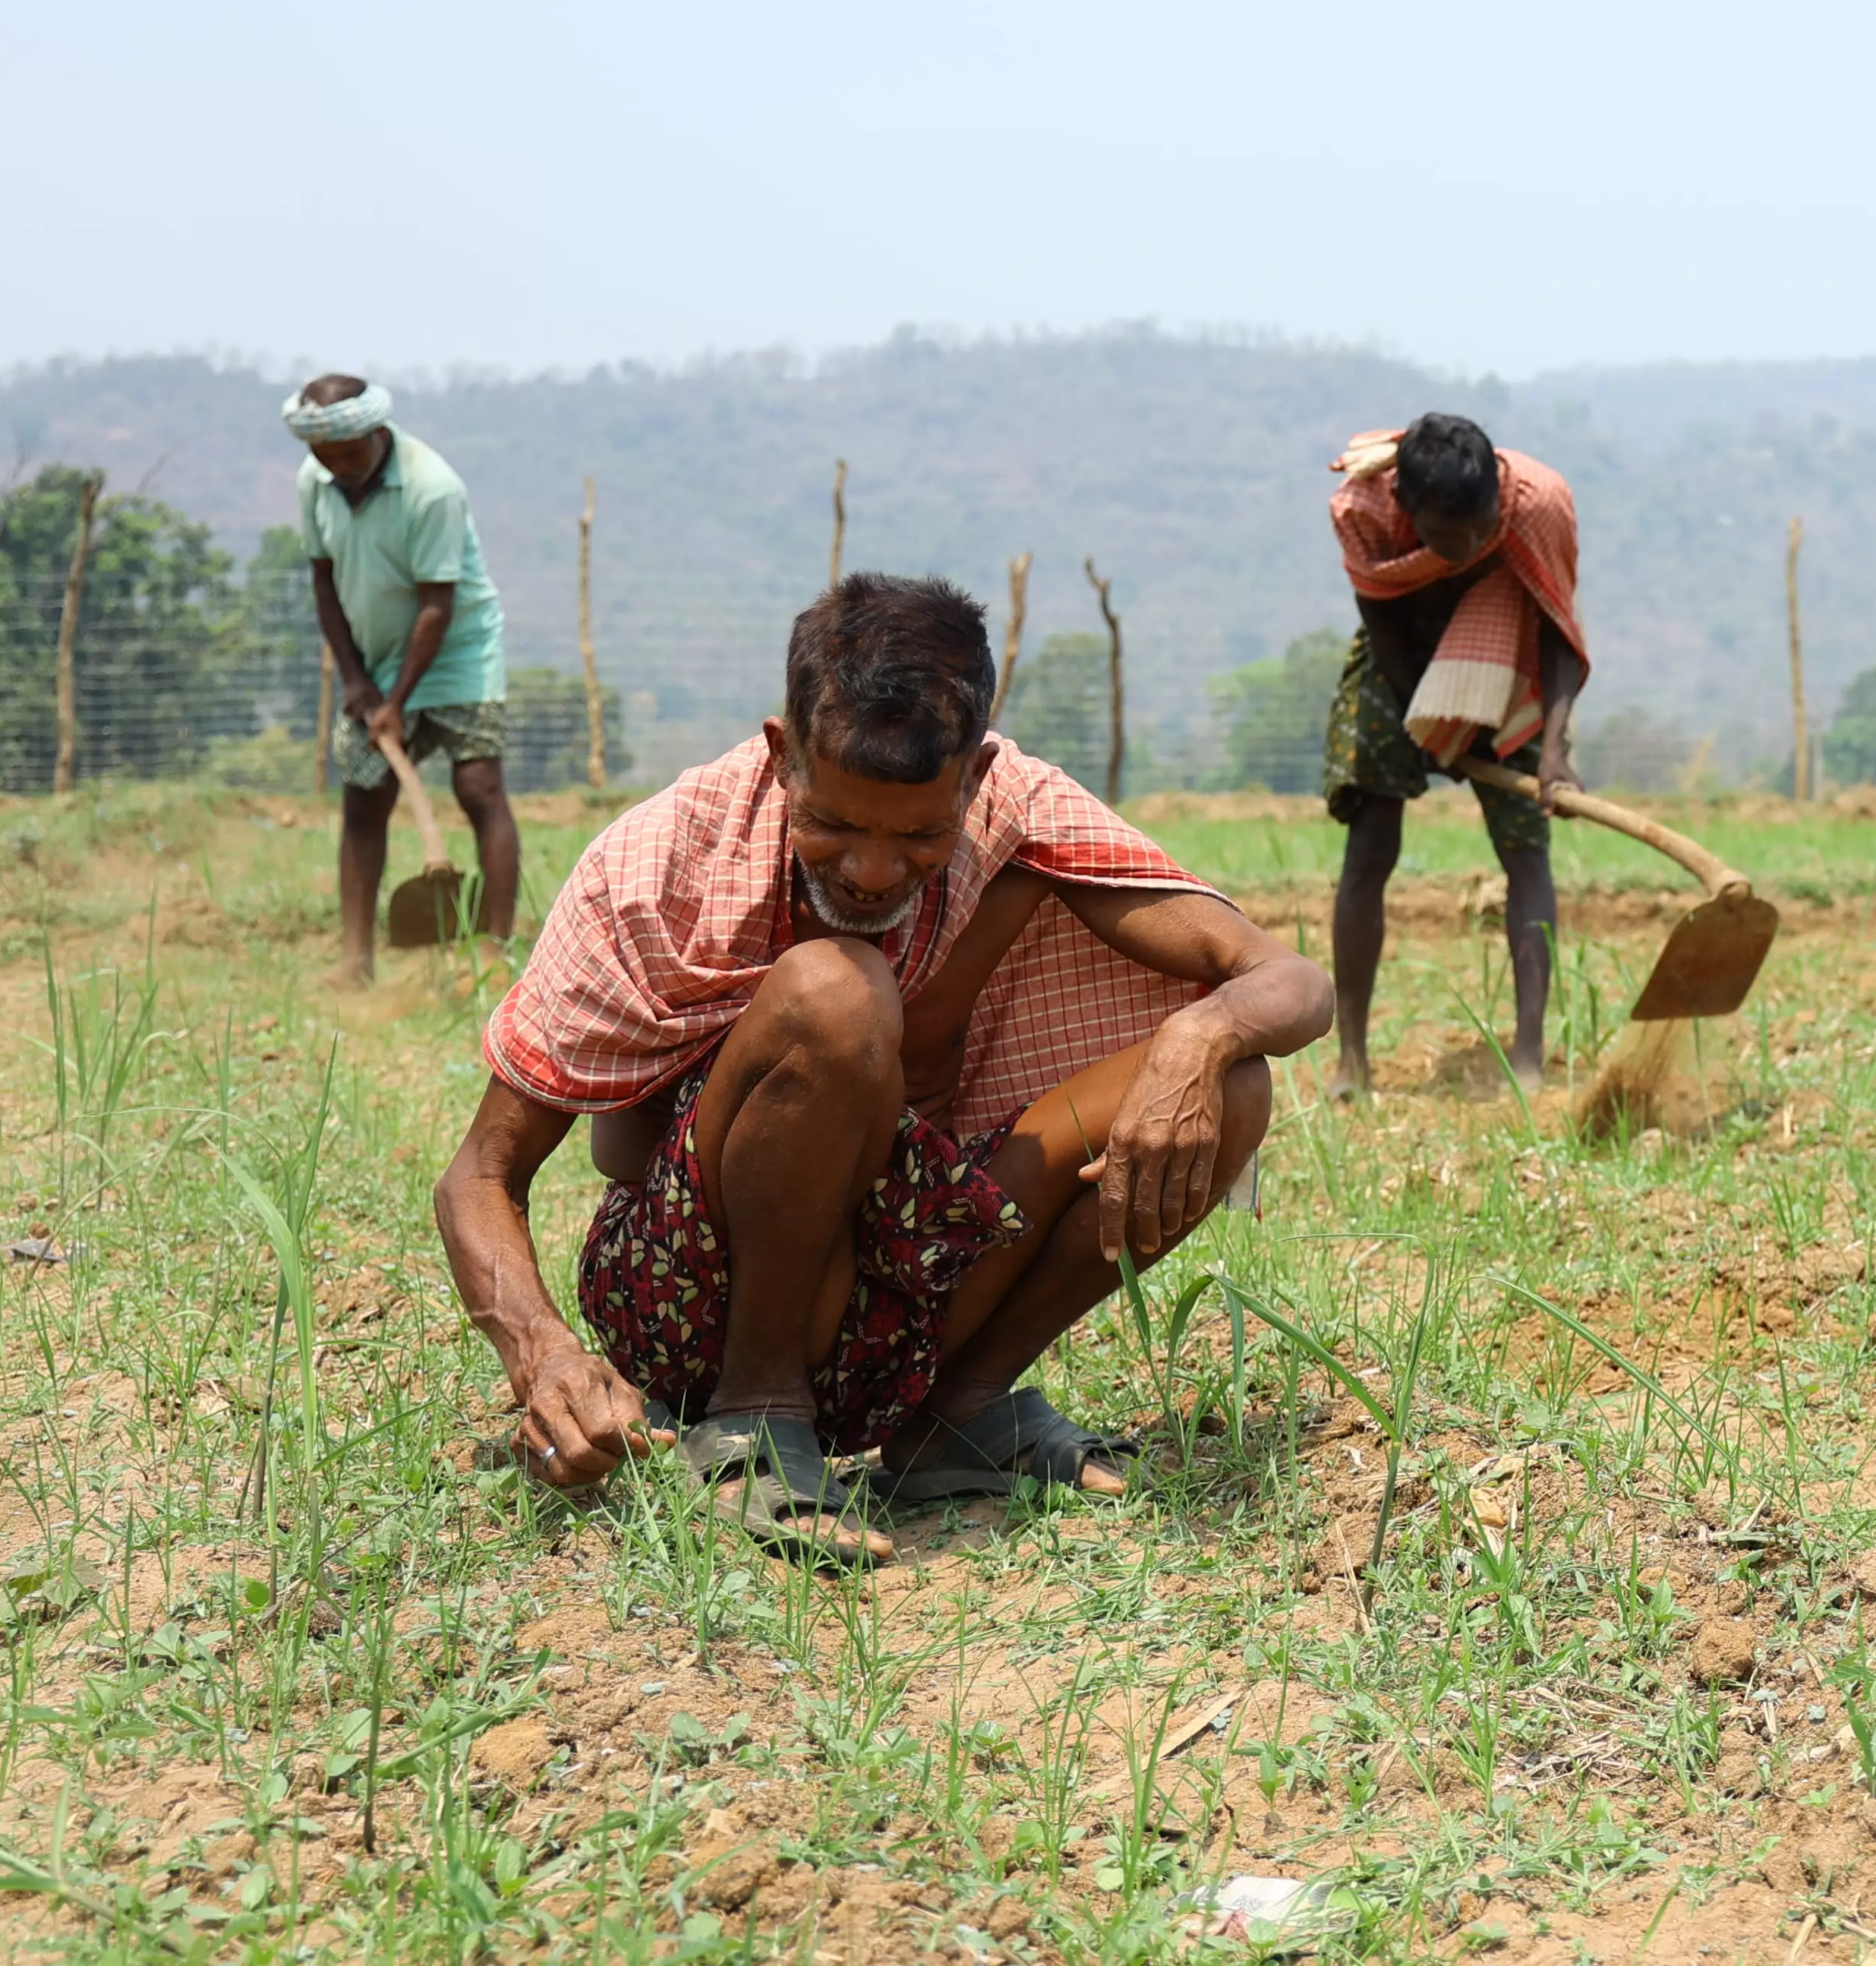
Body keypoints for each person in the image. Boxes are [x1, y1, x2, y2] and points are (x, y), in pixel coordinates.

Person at [434, 574, 1332, 1565]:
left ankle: (953, 1416)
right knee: (838, 993)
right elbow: (480, 1175)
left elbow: (1289, 981)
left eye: (917, 835)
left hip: (909, 1295)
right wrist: (544, 1357)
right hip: (692, 1302)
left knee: (1236, 1085)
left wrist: (1194, 1043)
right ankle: (754, 1414)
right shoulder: (657, 866)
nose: (871, 869)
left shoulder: (1017, 813)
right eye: (834, 826)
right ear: (782, 757)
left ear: (976, 776)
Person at [1321, 415, 1588, 1097]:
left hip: (1510, 660)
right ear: (1409, 510)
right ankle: (1352, 1060)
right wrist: (1426, 723)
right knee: (1370, 843)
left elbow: (1557, 622)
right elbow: (1381, 618)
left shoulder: (1540, 503)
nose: (1470, 547)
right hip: (1400, 661)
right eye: (1449, 534)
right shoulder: (1364, 509)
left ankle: (1528, 1058)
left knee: (1526, 852)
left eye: (1482, 527)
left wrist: (1552, 751)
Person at [284, 374, 522, 975]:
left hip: (460, 647)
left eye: (349, 453)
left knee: (478, 787)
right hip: (377, 653)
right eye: (324, 455)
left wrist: (397, 699)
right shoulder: (316, 484)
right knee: (364, 797)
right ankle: (355, 958)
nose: (338, 466)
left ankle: (495, 949)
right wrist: (359, 681)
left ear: (376, 432)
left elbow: (438, 606)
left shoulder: (431, 488)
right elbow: (324, 584)